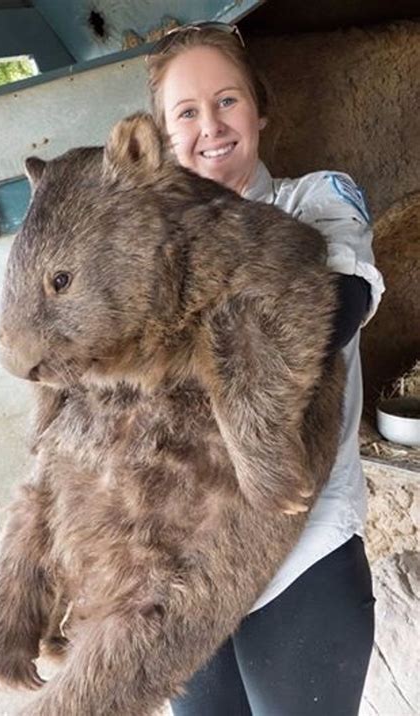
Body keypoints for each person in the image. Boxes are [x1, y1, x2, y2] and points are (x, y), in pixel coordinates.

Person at [145, 22, 385, 716]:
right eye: (186, 112)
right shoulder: (151, 247)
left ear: (259, 109)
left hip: (301, 560)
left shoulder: (317, 200)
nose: (211, 126)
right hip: (185, 574)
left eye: (227, 101)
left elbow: (339, 303)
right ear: (162, 135)